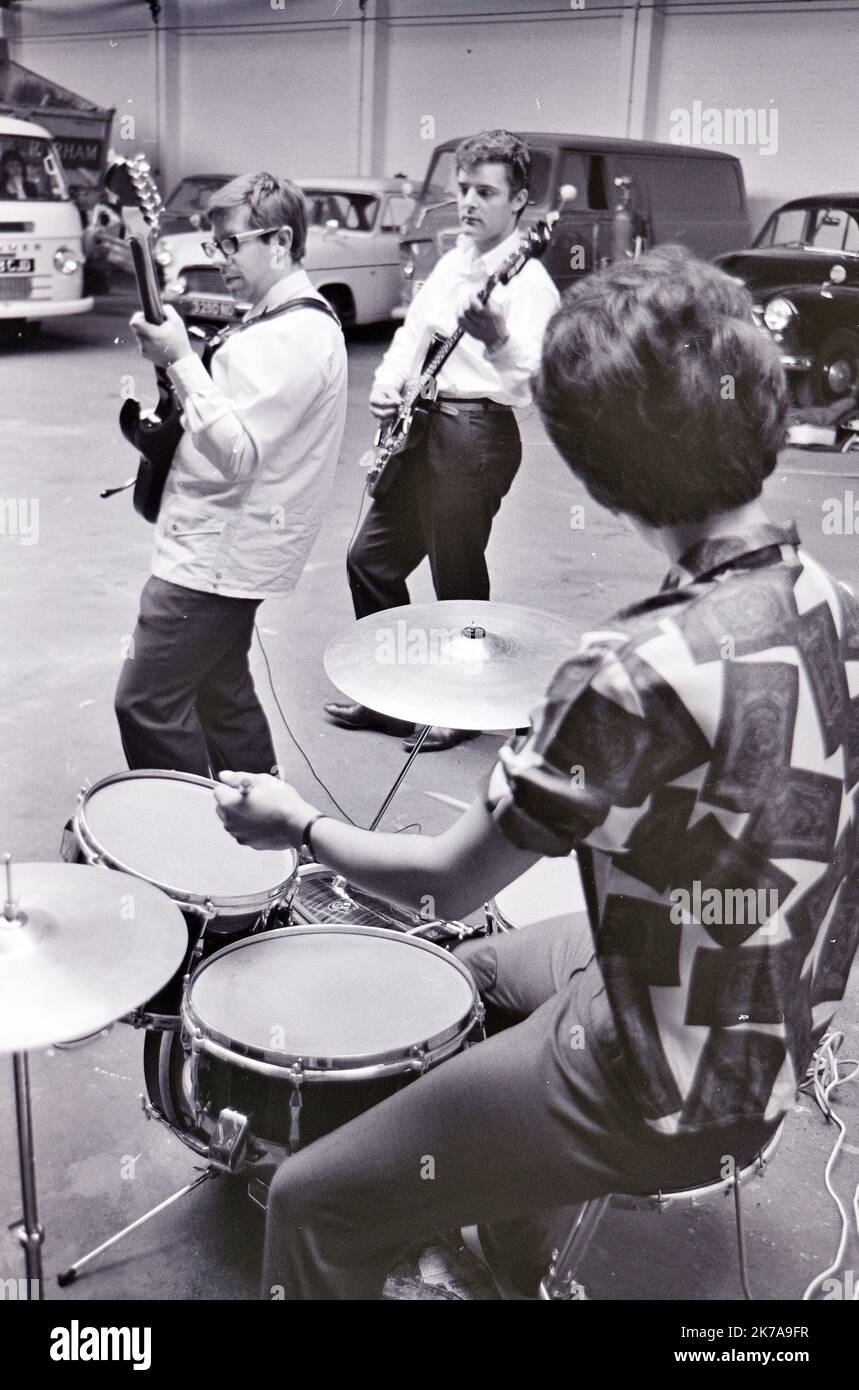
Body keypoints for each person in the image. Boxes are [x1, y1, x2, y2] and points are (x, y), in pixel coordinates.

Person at [214, 246, 859, 1300]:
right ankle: (513, 1243)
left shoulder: (629, 668)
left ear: (600, 477)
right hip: (776, 1021)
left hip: (665, 1086)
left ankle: (462, 1194)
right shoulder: (832, 598)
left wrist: (295, 823)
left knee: (310, 1197)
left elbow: (441, 883)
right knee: (473, 976)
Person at [324, 129, 560, 753]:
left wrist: (500, 338)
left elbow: (531, 384)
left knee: (455, 571)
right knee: (369, 561)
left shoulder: (526, 283)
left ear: (518, 203)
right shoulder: (452, 264)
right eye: (463, 189)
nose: (469, 202)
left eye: (486, 191)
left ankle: (462, 708)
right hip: (423, 424)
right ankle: (392, 696)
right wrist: (386, 385)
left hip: (478, 431)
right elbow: (411, 339)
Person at [115, 172, 347, 777]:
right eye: (215, 244)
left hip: (216, 559)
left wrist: (182, 361)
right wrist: (181, 363)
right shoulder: (274, 320)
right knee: (221, 696)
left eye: (231, 244)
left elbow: (238, 455)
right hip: (220, 548)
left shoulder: (293, 334)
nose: (219, 259)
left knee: (146, 705)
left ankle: (193, 849)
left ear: (280, 241)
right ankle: (264, 834)